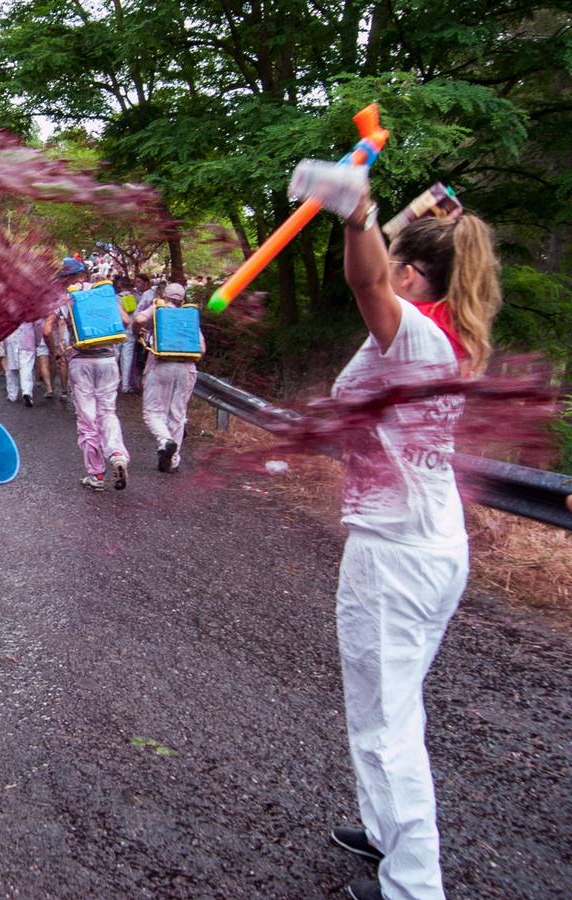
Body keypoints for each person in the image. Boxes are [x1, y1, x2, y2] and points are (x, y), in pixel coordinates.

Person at [319, 185, 501, 900]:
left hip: (397, 552)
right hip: (423, 541)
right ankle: (386, 831)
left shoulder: (417, 337)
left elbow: (364, 277)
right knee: (386, 706)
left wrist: (359, 215)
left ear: (410, 276)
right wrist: (380, 229)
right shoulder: (442, 331)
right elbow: (375, 274)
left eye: (398, 264)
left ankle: (414, 885)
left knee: (389, 719)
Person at [49, 281, 131, 491]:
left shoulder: (66, 298)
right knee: (108, 412)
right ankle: (117, 454)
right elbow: (125, 320)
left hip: (81, 361)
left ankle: (96, 475)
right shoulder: (104, 295)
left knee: (87, 419)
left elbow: (47, 328)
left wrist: (56, 350)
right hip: (107, 361)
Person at [134, 282, 202, 472]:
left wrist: (139, 332)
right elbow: (202, 348)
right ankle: (173, 461)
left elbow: (139, 319)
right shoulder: (189, 316)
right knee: (178, 415)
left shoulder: (159, 309)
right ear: (183, 299)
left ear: (164, 296)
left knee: (153, 412)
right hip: (187, 368)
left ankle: (165, 440)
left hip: (160, 366)